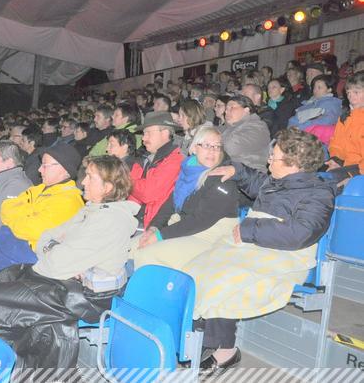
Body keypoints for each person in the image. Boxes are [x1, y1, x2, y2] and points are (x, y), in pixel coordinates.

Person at [132, 128, 334, 375]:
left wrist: (250, 229)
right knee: (197, 269)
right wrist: (235, 170)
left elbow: (301, 233)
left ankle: (218, 349)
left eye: (274, 157)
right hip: (253, 244)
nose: (269, 160)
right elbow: (255, 180)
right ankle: (192, 337)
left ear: (294, 164)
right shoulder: (277, 181)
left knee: (221, 279)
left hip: (284, 255)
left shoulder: (318, 193)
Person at [0, 156, 140, 368]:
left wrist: (56, 250)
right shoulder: (91, 210)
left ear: (107, 187)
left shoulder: (109, 220)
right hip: (60, 282)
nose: (83, 181)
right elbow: (45, 238)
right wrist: (56, 249)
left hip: (83, 297)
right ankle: (12, 362)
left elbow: (54, 263)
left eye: (90, 177)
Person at [133, 126, 238, 251]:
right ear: (194, 148)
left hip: (209, 237)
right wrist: (153, 228)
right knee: (129, 246)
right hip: (184, 228)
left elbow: (200, 220)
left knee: (145, 252)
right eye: (206, 145)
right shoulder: (188, 171)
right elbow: (170, 204)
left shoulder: (223, 178)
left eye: (216, 146)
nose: (212, 151)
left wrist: (159, 236)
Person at [0, 143, 84, 250]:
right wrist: (32, 213)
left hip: (34, 256)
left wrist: (14, 218)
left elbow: (33, 230)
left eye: (44, 165)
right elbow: (4, 208)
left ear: (64, 169)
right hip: (14, 248)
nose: (39, 170)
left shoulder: (69, 201)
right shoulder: (37, 189)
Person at [129, 112, 184, 228]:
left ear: (165, 133)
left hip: (152, 226)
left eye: (148, 133)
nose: (143, 138)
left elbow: (148, 193)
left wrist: (124, 180)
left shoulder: (175, 160)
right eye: (144, 134)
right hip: (133, 219)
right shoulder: (145, 158)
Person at [327, 71, 364, 184]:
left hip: (360, 170)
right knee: (318, 179)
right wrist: (336, 160)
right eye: (348, 92)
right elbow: (336, 144)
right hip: (347, 166)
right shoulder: (345, 118)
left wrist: (355, 177)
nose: (351, 96)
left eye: (356, 92)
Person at [221, 95, 271, 172]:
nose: (226, 112)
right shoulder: (233, 127)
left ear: (246, 110)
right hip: (234, 171)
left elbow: (231, 147)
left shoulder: (258, 127)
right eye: (226, 109)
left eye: (231, 108)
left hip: (251, 173)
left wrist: (212, 143)